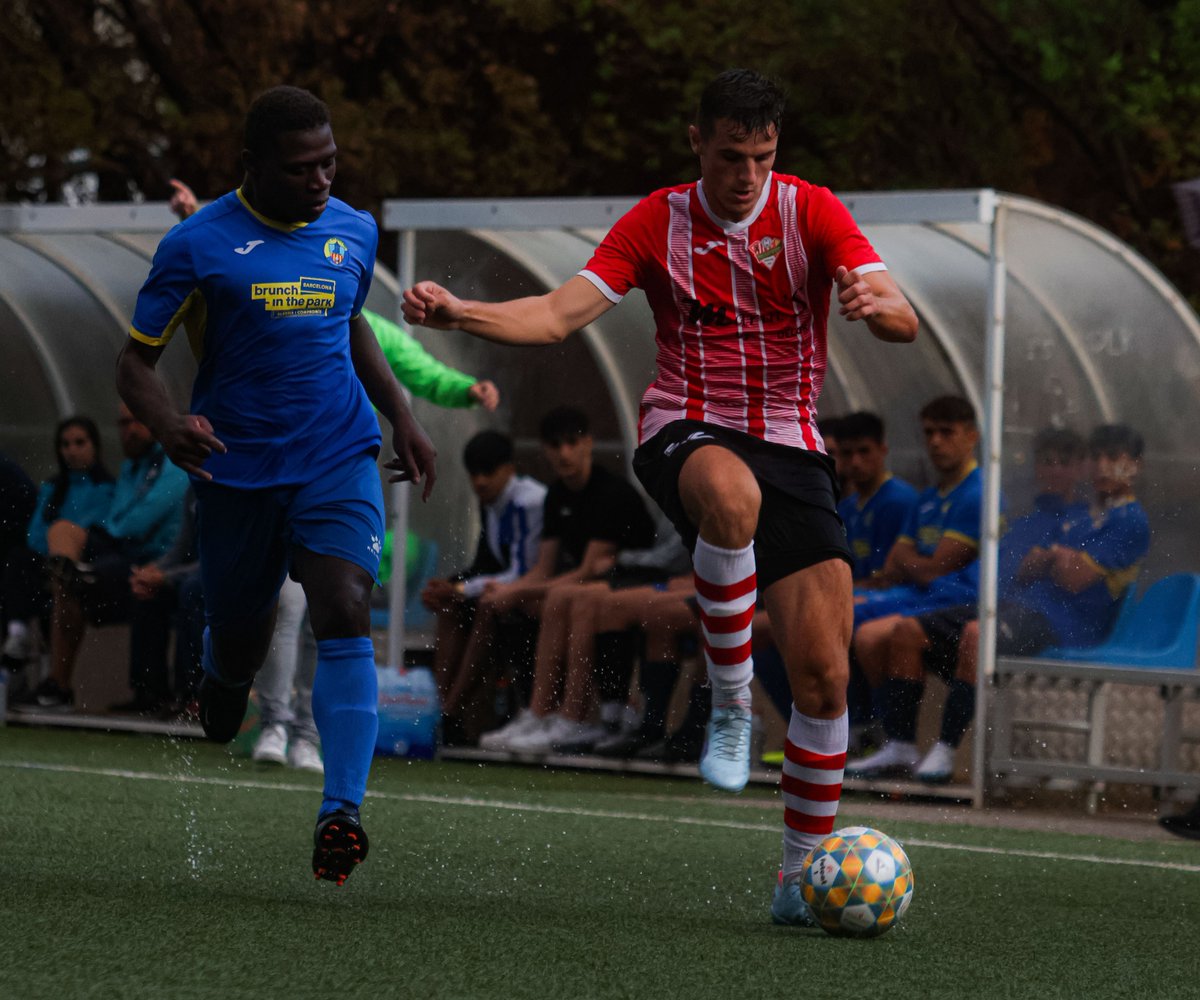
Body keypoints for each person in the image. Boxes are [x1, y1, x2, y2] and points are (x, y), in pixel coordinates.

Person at [402, 69, 917, 925]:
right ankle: (728, 697)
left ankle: (796, 878)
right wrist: (461, 315)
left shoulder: (812, 211)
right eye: (728, 156)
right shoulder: (657, 221)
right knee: (731, 498)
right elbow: (559, 315)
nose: (746, 174)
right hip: (688, 427)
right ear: (696, 140)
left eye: (762, 156)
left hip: (792, 441)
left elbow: (896, 313)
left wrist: (879, 303)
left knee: (825, 679)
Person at [117, 86, 436, 887]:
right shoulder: (197, 244)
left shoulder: (354, 230)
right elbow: (134, 364)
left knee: (344, 605)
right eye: (301, 169)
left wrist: (400, 411)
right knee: (241, 636)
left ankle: (341, 812)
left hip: (336, 452)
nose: (322, 180)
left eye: (329, 162)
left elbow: (351, 321)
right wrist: (168, 426)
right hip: (237, 468)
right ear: (252, 168)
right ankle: (225, 682)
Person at [849, 424, 1146, 783]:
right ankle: (900, 745)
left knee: (977, 634)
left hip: (1062, 624)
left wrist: (1051, 559)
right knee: (906, 631)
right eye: (1097, 457)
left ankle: (945, 750)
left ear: (1135, 465)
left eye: (1113, 458)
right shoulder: (1081, 515)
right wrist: (1053, 558)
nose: (1102, 466)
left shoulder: (1130, 520)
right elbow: (1024, 571)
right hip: (1018, 609)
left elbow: (1074, 577)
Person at [167, 179, 502, 414]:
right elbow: (236, 270)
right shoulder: (280, 315)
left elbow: (422, 372)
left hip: (342, 456)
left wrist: (466, 390)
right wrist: (194, 218)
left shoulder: (374, 331)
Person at [446, 406, 655, 742]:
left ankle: (568, 714)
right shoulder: (556, 495)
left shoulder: (609, 492)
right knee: (508, 604)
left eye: (572, 442)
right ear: (544, 449)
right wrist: (509, 591)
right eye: (555, 445)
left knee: (559, 598)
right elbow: (543, 568)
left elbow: (589, 570)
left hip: (633, 580)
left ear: (589, 443)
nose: (564, 453)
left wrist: (514, 590)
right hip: (593, 586)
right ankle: (531, 711)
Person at [17, 406, 188, 711]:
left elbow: (140, 520)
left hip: (149, 559)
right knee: (62, 534)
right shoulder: (129, 468)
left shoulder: (173, 462)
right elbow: (35, 534)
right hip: (116, 549)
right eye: (122, 423)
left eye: (136, 421)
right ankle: (69, 570)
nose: (128, 430)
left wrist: (107, 531)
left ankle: (59, 685)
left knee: (68, 583)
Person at [422, 430, 546, 735]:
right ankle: (437, 708)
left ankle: (450, 714)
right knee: (450, 605)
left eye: (488, 472)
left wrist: (462, 589)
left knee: (489, 606)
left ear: (509, 469)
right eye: (474, 473)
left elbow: (523, 570)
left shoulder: (529, 502)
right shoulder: (491, 501)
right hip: (508, 590)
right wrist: (450, 588)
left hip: (536, 592)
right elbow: (485, 565)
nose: (480, 481)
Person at [2, 419, 111, 672]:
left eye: (79, 442)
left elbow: (96, 528)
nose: (72, 450)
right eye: (65, 444)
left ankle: (49, 668)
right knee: (19, 559)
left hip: (78, 562)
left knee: (59, 578)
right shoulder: (52, 488)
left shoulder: (106, 489)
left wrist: (62, 537)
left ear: (95, 446)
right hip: (46, 561)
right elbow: (35, 533)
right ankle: (17, 633)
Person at [836, 410, 918, 585]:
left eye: (864, 451)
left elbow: (886, 579)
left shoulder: (898, 501)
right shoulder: (845, 507)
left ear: (883, 450)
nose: (855, 462)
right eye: (847, 453)